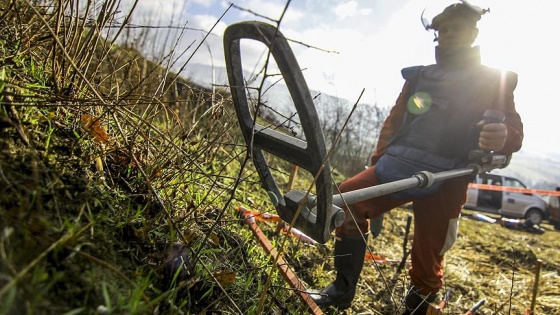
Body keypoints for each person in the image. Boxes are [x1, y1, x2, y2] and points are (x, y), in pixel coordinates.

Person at [311, 2, 523, 314]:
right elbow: (395, 122)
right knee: (348, 200)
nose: (449, 34)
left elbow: (514, 131)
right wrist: (377, 161)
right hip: (398, 163)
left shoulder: (494, 80)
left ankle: (418, 307)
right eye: (443, 29)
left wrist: (504, 137)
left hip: (449, 175)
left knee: (428, 253)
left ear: (474, 33)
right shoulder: (420, 77)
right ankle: (341, 291)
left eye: (457, 28)